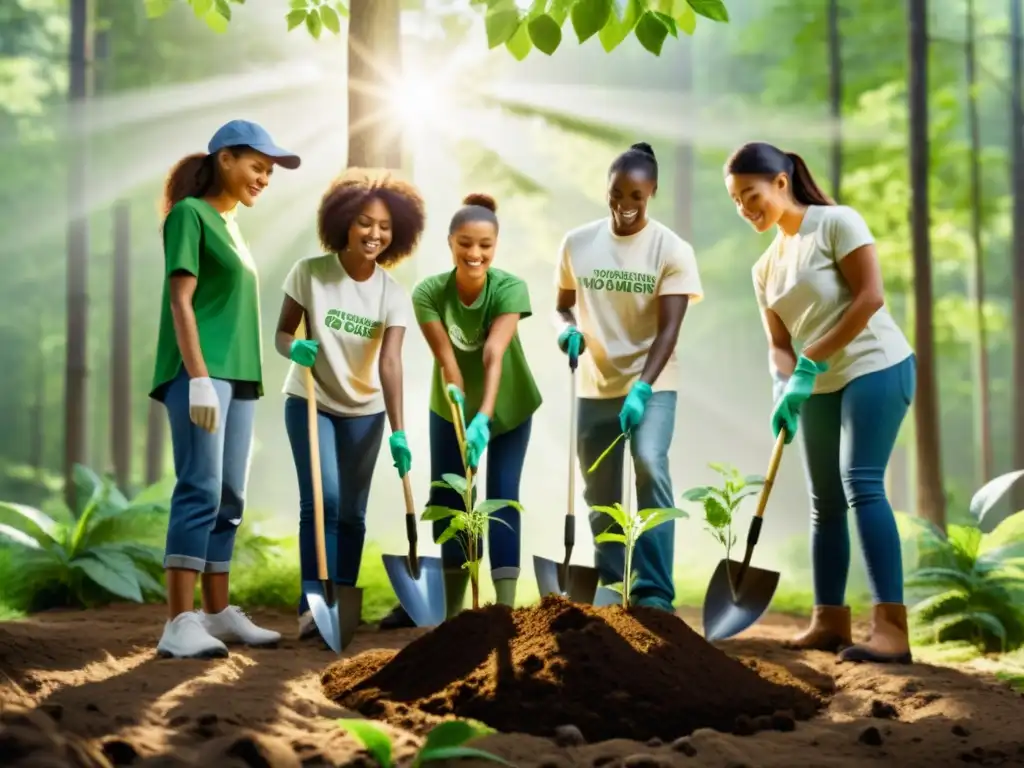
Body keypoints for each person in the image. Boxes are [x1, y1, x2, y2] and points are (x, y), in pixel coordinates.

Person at [724, 141, 916, 664]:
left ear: (781, 183)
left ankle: (891, 628)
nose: (745, 208)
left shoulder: (836, 223)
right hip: (818, 384)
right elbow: (779, 344)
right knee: (823, 501)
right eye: (736, 201)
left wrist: (809, 365)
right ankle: (828, 620)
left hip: (876, 365)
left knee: (861, 483)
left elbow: (870, 296)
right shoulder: (765, 268)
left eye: (751, 194)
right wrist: (782, 385)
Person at [149, 119, 301, 658]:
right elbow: (180, 302)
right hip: (201, 373)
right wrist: (197, 380)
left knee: (229, 497)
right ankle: (178, 622)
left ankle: (215, 615)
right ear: (225, 160)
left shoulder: (233, 224)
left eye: (270, 172)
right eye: (258, 166)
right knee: (200, 488)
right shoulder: (189, 216)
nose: (264, 178)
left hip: (237, 376)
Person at [378, 193, 541, 629]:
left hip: (509, 406)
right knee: (452, 499)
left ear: (496, 245)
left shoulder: (509, 288)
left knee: (502, 498)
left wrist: (483, 418)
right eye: (465, 243)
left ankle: (503, 610)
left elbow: (494, 352)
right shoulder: (430, 292)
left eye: (485, 245)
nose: (475, 254)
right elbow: (448, 360)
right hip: (449, 405)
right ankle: (454, 614)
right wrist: (461, 410)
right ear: (450, 242)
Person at [275, 169, 424, 640]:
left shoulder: (392, 294)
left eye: (384, 227)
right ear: (343, 222)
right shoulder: (310, 273)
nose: (374, 234)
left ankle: (340, 602)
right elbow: (283, 332)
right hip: (311, 400)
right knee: (323, 500)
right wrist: (292, 348)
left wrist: (398, 430)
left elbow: (392, 363)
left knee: (353, 513)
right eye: (365, 223)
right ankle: (311, 603)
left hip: (366, 413)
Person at [555, 142, 703, 614]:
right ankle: (612, 581)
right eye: (617, 193)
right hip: (595, 382)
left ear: (652, 192)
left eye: (636, 195)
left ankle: (653, 589)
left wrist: (642, 387)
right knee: (598, 487)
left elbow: (669, 330)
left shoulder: (671, 249)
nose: (624, 205)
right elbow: (562, 305)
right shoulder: (577, 242)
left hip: (652, 382)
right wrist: (567, 331)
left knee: (648, 461)